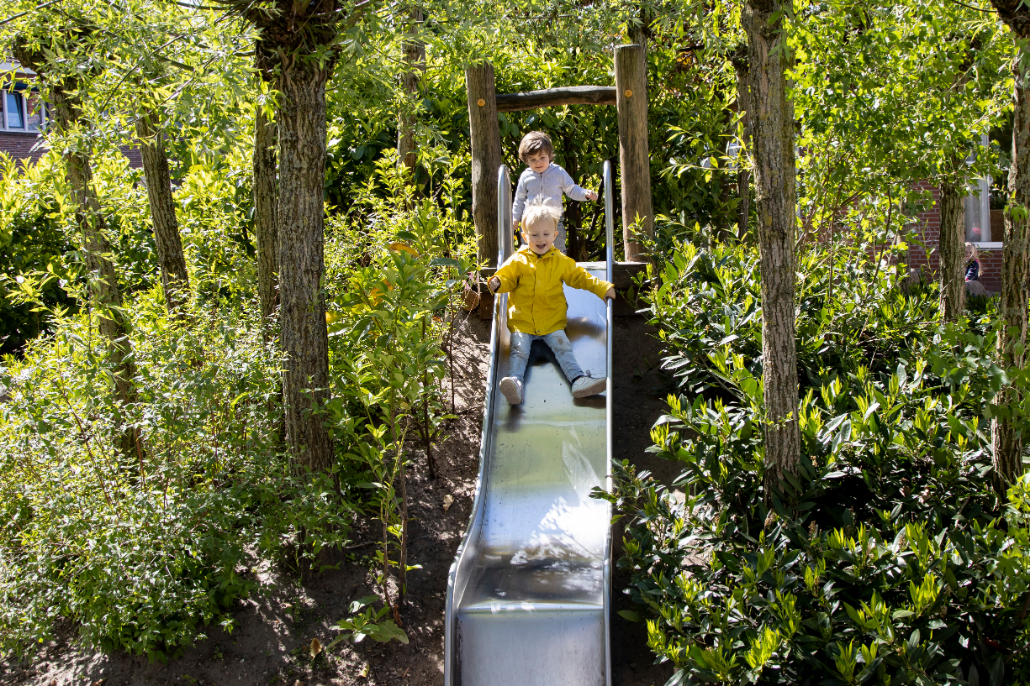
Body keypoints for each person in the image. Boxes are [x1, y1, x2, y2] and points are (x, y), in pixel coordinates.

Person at [488, 202, 615, 405]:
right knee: (518, 350)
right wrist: (498, 282)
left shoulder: (560, 261)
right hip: (523, 322)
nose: (541, 239)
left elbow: (580, 276)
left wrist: (602, 287)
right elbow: (507, 277)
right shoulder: (517, 260)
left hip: (551, 321)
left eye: (546, 234)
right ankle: (515, 384)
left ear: (555, 235)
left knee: (563, 347)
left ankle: (578, 380)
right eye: (535, 234)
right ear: (525, 236)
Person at [512, 131, 598, 254]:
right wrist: (515, 217)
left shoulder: (558, 172)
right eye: (533, 159)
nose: (538, 162)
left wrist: (585, 193)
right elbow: (519, 199)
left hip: (553, 222)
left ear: (550, 155)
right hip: (530, 224)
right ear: (526, 160)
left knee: (557, 252)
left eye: (542, 158)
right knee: (529, 253)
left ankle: (559, 272)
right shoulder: (526, 176)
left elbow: (571, 189)